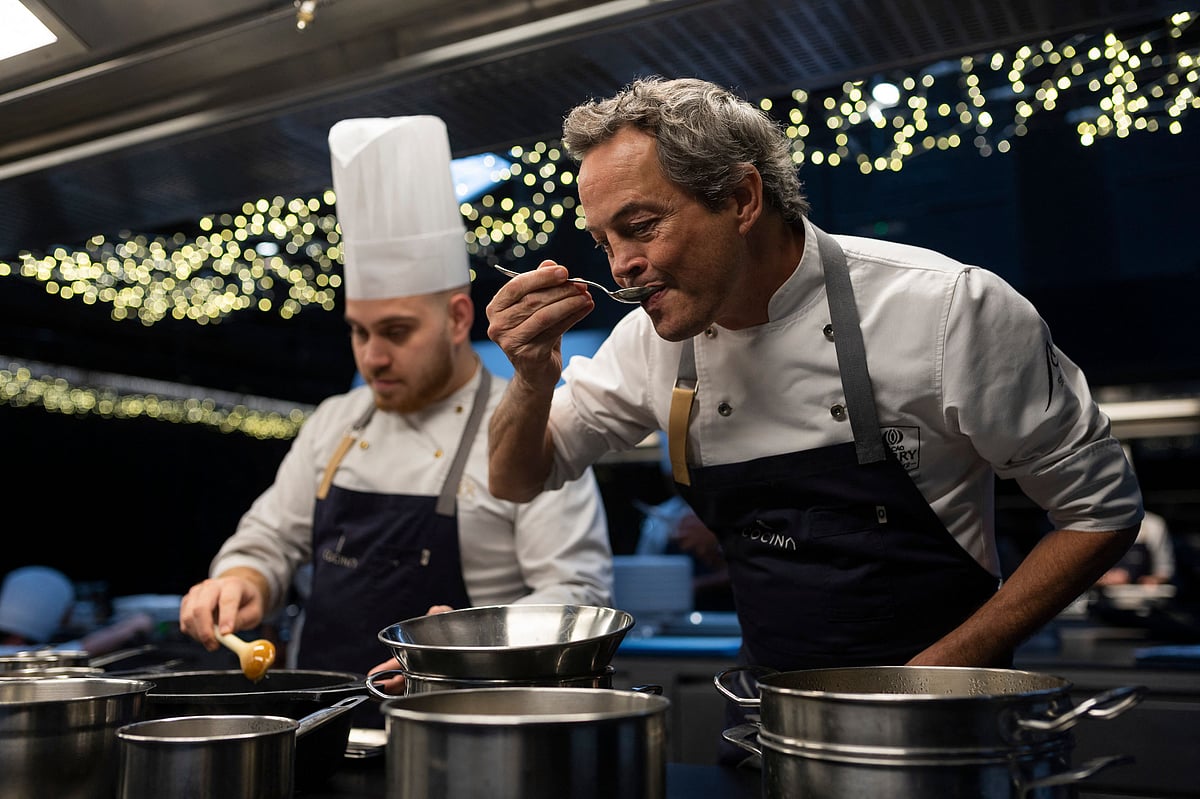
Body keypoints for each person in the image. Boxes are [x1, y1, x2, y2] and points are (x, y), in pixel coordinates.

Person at [484, 76, 1142, 694]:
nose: (622, 267)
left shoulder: (946, 309)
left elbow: (1100, 513)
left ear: (742, 198)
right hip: (767, 722)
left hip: (946, 728)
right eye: (603, 241)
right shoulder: (649, 345)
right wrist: (533, 377)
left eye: (640, 227)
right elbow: (518, 478)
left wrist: (930, 678)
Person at [179, 116, 613, 719]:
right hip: (322, 728)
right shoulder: (337, 420)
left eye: (396, 332)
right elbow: (270, 540)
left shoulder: (528, 426)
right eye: (358, 332)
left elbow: (579, 595)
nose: (372, 356)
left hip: (464, 731)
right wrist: (243, 581)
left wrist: (475, 642)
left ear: (458, 319)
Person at [1096, 509, 1174, 586]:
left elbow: (1165, 569)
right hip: (1103, 593)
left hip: (1140, 594)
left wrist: (1153, 580)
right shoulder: (1096, 523)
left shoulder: (1154, 524)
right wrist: (1104, 579)